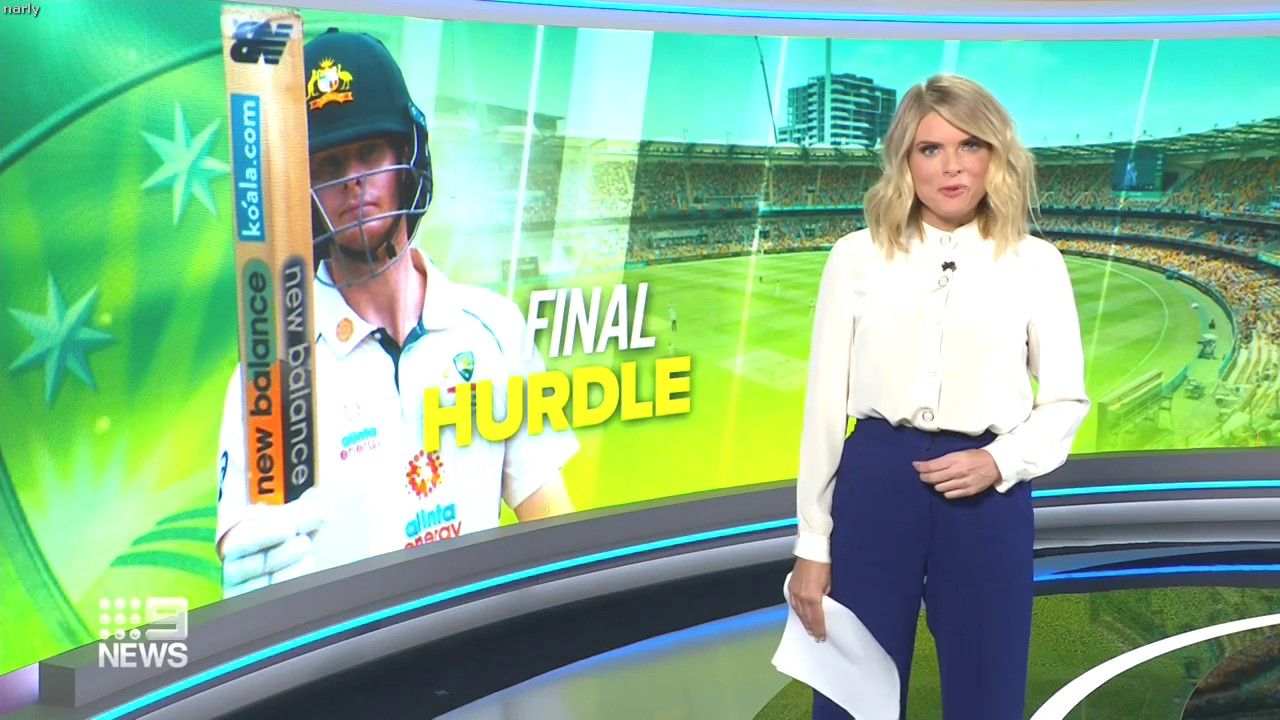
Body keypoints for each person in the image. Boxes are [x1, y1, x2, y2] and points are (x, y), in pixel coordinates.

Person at [215, 29, 578, 598]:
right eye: (329, 163)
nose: (354, 182)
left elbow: (554, 530)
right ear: (302, 187)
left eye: (370, 154)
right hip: (352, 651)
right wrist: (255, 581)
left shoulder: (495, 329)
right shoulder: (274, 371)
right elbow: (244, 541)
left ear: (408, 158)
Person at [786, 75, 1090, 719]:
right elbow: (823, 408)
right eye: (930, 149)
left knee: (988, 694)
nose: (952, 166)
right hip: (876, 486)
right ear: (905, 160)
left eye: (969, 145)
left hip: (987, 496)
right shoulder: (855, 257)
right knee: (851, 699)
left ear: (996, 155)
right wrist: (812, 544)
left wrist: (1000, 461)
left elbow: (1066, 401)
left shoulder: (1037, 262)